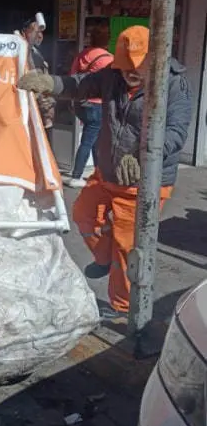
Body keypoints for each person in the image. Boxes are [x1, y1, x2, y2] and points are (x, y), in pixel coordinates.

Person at [18, 25, 192, 319]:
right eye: (126, 67)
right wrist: (50, 83)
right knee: (83, 214)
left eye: (138, 68)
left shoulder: (174, 85)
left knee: (127, 247)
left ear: (155, 61)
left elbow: (175, 132)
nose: (130, 74)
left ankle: (122, 305)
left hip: (144, 184)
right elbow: (81, 84)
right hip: (108, 172)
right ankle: (104, 258)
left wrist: (143, 157)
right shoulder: (111, 76)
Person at [66, 28, 114, 188]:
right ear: (107, 41)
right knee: (89, 140)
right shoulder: (108, 59)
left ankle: (98, 173)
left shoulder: (82, 55)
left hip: (81, 102)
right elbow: (110, 84)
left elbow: (73, 77)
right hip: (97, 104)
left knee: (94, 140)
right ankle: (76, 175)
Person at [19, 16, 56, 131]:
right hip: (31, 107)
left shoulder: (35, 52)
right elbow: (34, 82)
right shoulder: (23, 52)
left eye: (41, 32)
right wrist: (46, 108)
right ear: (24, 32)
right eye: (35, 31)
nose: (39, 35)